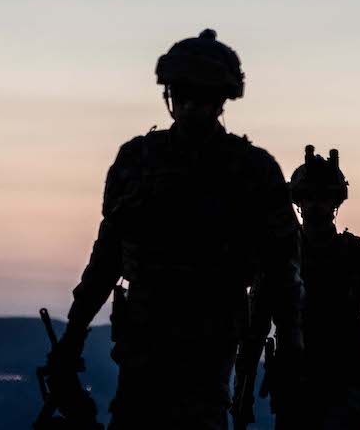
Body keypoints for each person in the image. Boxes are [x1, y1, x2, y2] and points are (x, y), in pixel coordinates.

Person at [46, 29, 304, 430]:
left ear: (221, 101)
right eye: (182, 94)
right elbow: (107, 255)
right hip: (144, 335)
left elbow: (282, 264)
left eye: (202, 97)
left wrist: (291, 342)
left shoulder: (252, 170)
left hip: (211, 336)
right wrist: (74, 333)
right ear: (170, 96)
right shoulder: (137, 161)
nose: (190, 107)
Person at [260, 145, 360, 429]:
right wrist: (242, 377)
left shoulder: (356, 253)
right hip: (297, 384)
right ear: (299, 202)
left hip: (345, 385)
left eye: (323, 198)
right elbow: (256, 319)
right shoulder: (283, 255)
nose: (316, 205)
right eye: (309, 198)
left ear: (335, 203)